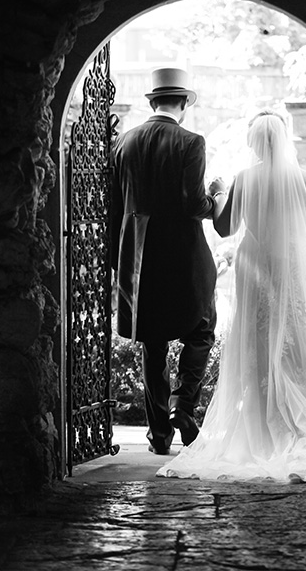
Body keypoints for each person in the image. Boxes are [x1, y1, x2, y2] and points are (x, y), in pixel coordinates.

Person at [158, 110, 306, 483]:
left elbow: (224, 228)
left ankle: (259, 431)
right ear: (284, 138)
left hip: (255, 272)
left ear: (253, 142)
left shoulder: (245, 179)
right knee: (296, 346)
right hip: (291, 270)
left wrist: (219, 192)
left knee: (256, 348)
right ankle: (301, 429)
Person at [111, 68, 217, 455]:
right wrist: (216, 198)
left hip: (138, 259)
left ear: (152, 101)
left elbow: (113, 207)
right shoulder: (191, 141)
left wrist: (116, 260)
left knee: (152, 345)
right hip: (184, 258)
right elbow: (194, 203)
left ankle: (159, 436)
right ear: (185, 103)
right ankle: (182, 406)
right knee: (201, 329)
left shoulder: (123, 142)